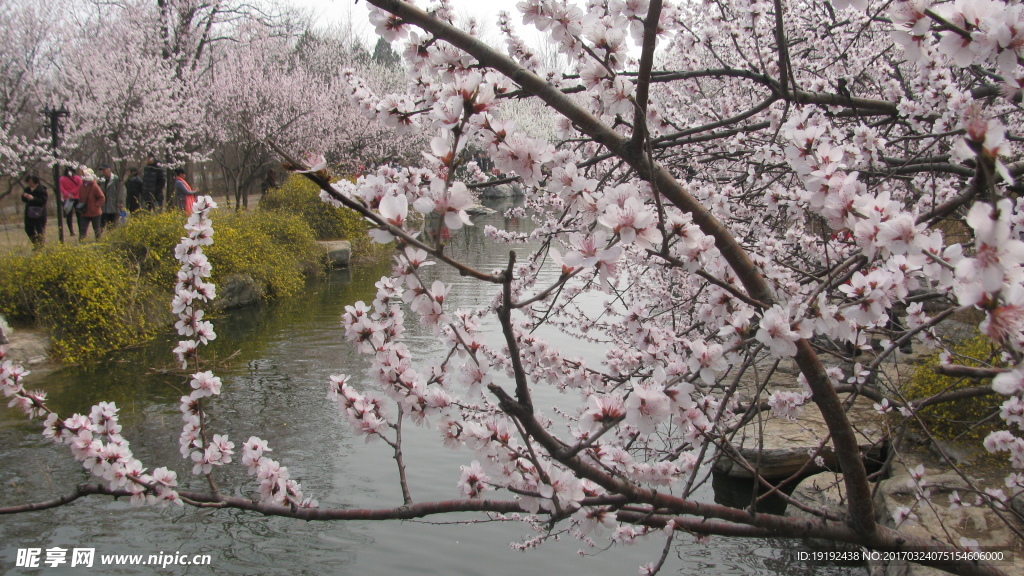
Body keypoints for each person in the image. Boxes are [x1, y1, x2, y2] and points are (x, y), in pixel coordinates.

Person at [77, 169, 105, 241]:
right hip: (85, 212)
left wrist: (95, 206)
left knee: (96, 229)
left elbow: (102, 198)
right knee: (82, 229)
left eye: (85, 175)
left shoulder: (94, 186)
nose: (83, 176)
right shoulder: (82, 186)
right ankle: (81, 242)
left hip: (95, 212)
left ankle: (98, 242)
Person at [21, 174, 47, 248]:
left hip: (39, 212)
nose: (29, 184)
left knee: (40, 229)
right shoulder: (27, 189)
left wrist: (33, 198)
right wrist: (25, 196)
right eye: (28, 182)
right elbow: (23, 200)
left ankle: (41, 245)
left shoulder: (41, 189)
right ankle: (36, 243)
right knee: (28, 228)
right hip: (29, 212)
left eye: (31, 182)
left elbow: (43, 201)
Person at [98, 164, 125, 230]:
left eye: (104, 170)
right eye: (102, 170)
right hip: (103, 206)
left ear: (109, 169)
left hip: (113, 205)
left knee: (112, 224)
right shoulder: (101, 180)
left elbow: (121, 191)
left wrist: (120, 202)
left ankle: (111, 237)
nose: (103, 171)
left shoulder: (115, 179)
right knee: (101, 224)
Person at [58, 166, 81, 236]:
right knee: (79, 215)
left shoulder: (61, 179)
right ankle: (81, 230)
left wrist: (68, 194)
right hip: (77, 197)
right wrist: (73, 193)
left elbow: (61, 188)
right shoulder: (78, 178)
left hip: (67, 198)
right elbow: (80, 186)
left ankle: (71, 231)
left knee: (69, 216)